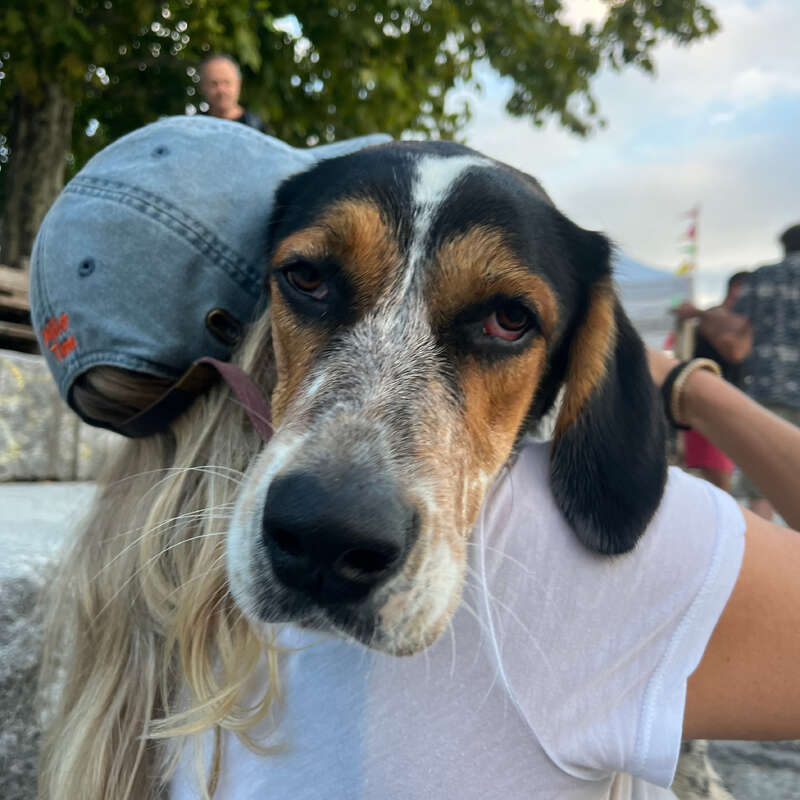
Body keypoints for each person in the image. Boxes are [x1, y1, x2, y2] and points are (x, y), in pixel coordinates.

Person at [31, 119, 800, 800]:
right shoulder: (551, 569)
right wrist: (697, 393)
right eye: (311, 279)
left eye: (504, 318)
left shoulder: (133, 582)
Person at [731, 223, 800, 520]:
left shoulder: (763, 276)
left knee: (762, 483)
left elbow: (736, 326)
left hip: (769, 385)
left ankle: (767, 561)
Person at [671, 273, 751, 492]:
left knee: (714, 482)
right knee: (718, 483)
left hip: (713, 407)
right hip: (710, 407)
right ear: (736, 288)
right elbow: (736, 351)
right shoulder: (716, 316)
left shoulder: (720, 317)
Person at [198, 54, 267, 132]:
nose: (221, 90)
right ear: (203, 86)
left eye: (226, 82)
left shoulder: (257, 128)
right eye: (214, 84)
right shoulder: (194, 128)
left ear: (238, 83)